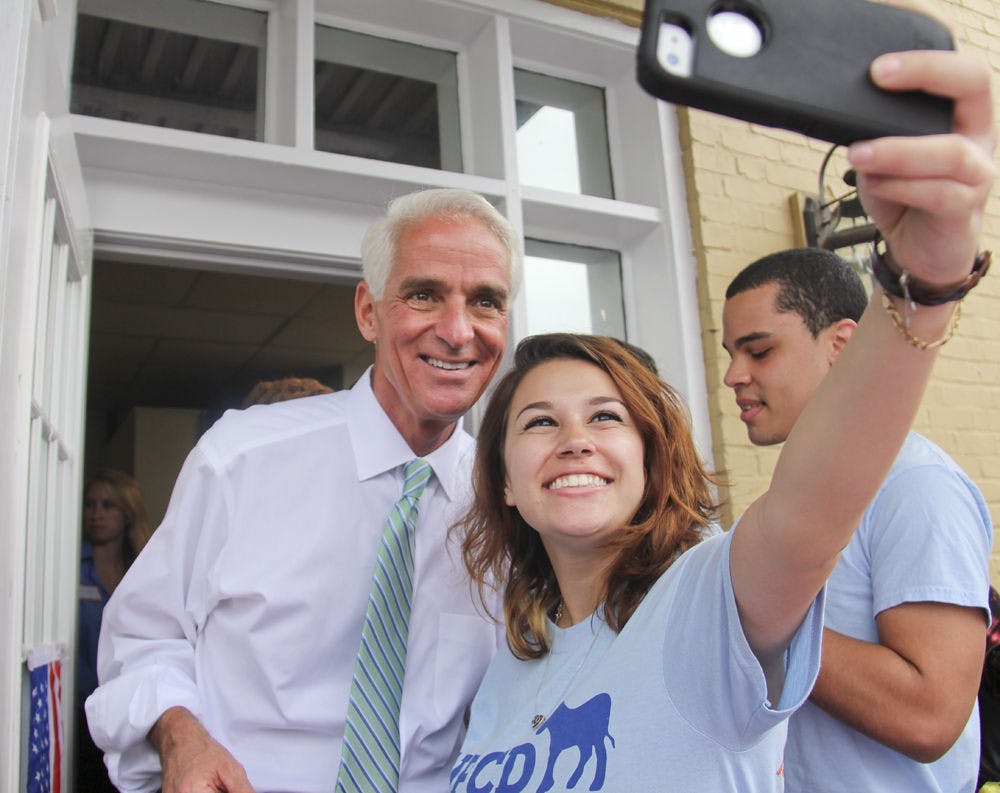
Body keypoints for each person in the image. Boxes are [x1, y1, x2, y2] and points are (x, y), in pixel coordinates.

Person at [450, 43, 995, 792]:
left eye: (606, 416)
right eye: (538, 422)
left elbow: (810, 507)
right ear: (504, 480)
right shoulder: (512, 663)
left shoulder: (704, 605)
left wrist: (920, 282)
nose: (574, 437)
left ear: (652, 462)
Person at [85, 188, 521, 793]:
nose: (457, 330)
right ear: (368, 312)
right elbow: (143, 635)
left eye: (485, 302)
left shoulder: (512, 503)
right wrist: (181, 736)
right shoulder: (240, 459)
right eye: (424, 294)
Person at [722, 249, 991, 791]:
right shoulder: (793, 498)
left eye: (759, 351)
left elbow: (930, 715)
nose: (733, 375)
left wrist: (743, 615)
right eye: (731, 354)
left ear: (841, 346)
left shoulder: (914, 484)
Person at [77, 469, 154, 793]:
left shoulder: (144, 568)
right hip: (79, 713)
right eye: (90, 504)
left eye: (108, 505)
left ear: (127, 514)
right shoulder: (70, 565)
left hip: (133, 712)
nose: (96, 514)